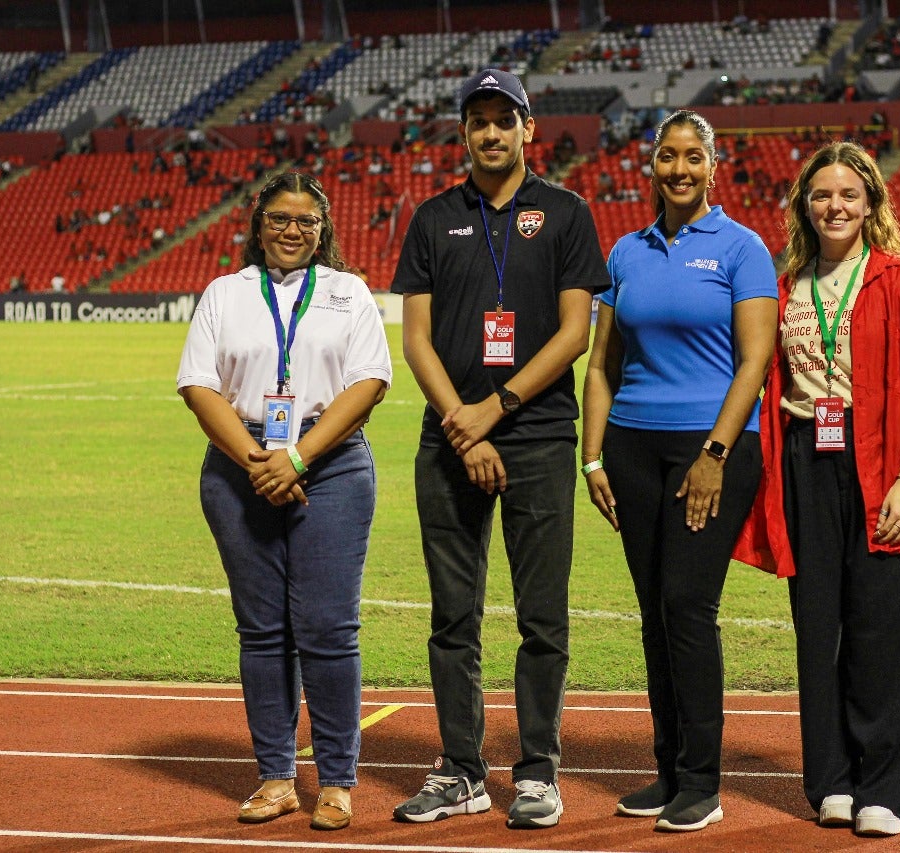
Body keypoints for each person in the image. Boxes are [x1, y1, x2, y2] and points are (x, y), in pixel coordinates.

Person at [389, 68, 609, 829]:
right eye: (476, 119)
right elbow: (415, 340)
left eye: (502, 118)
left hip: (539, 437)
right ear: (463, 133)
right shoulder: (431, 217)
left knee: (541, 617)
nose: (490, 131)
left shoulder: (566, 212)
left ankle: (539, 770)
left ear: (527, 128)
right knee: (454, 616)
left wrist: (496, 408)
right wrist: (462, 420)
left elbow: (574, 334)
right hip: (450, 439)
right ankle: (460, 768)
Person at [734, 141, 900, 838]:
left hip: (884, 462)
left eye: (848, 195)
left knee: (885, 630)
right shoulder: (787, 284)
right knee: (818, 627)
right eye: (822, 195)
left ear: (871, 205)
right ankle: (830, 779)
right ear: (805, 206)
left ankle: (884, 786)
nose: (835, 206)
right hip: (807, 461)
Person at [176, 172, 393, 832]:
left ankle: (336, 780)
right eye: (279, 218)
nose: (293, 230)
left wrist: (296, 458)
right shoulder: (225, 292)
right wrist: (259, 461)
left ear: (322, 229)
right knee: (263, 631)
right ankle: (275, 775)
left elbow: (370, 382)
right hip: (240, 467)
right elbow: (197, 383)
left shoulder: (347, 292)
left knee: (328, 628)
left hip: (328, 465)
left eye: (306, 220)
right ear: (258, 224)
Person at [580, 110, 777, 832]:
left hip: (711, 449)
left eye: (694, 156)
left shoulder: (742, 247)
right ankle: (668, 770)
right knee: (654, 614)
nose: (681, 168)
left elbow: (755, 360)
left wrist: (716, 454)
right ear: (651, 166)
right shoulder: (626, 251)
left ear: (714, 164)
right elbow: (601, 364)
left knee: (689, 608)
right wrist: (592, 454)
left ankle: (703, 781)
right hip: (631, 448)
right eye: (668, 156)